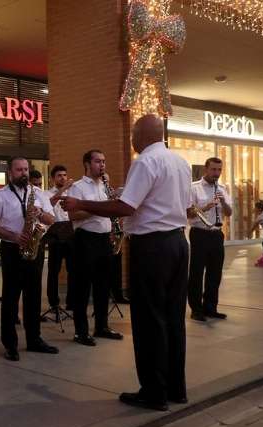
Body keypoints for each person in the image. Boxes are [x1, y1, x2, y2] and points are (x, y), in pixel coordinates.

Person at [61, 114, 192, 411]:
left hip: (152, 247)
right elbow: (177, 204)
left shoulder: (145, 161)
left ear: (144, 135)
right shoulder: (180, 162)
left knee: (149, 321)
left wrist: (80, 203)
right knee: (173, 319)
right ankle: (175, 388)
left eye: (134, 133)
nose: (132, 139)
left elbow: (125, 207)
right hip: (177, 243)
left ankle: (153, 392)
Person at [0, 156, 58, 361]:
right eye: (19, 170)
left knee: (34, 297)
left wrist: (41, 213)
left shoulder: (38, 194)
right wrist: (13, 236)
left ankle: (34, 340)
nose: (23, 173)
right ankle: (10, 344)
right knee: (10, 298)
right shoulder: (0, 196)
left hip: (35, 248)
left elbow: (52, 219)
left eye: (26, 169)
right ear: (10, 172)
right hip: (11, 249)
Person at [65, 150, 124, 347]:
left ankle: (102, 327)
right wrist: (98, 208)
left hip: (104, 239)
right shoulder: (77, 187)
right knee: (82, 288)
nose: (102, 165)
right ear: (87, 164)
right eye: (98, 161)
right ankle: (81, 332)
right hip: (85, 240)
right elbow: (72, 215)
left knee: (103, 285)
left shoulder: (106, 186)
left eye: (104, 161)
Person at [187, 157, 232, 322]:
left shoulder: (222, 187)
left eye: (219, 170)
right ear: (206, 169)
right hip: (200, 233)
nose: (217, 173)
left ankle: (211, 307)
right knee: (197, 272)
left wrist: (223, 203)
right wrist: (206, 206)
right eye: (213, 170)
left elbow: (229, 213)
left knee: (215, 272)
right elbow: (188, 213)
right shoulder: (194, 188)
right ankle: (196, 309)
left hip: (216, 234)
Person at [45, 165, 75, 311]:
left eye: (64, 175)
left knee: (73, 269)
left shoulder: (71, 193)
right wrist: (63, 189)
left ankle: (71, 301)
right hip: (55, 235)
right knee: (53, 270)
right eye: (59, 175)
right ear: (52, 178)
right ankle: (54, 302)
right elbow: (51, 203)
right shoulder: (47, 193)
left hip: (70, 234)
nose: (63, 178)